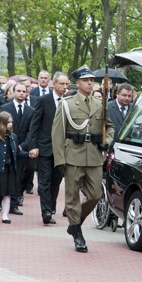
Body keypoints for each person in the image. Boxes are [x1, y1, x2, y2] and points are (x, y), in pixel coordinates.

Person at [53, 66, 114, 251]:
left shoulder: (99, 104)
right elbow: (57, 134)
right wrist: (60, 160)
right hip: (73, 155)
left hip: (94, 156)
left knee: (95, 195)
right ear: (77, 83)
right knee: (71, 197)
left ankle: (74, 223)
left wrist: (107, 141)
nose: (90, 83)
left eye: (91, 80)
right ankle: (78, 234)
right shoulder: (67, 103)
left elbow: (110, 127)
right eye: (86, 80)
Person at [28, 72, 69, 225]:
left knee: (56, 180)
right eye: (62, 84)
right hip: (45, 148)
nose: (65, 87)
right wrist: (33, 146)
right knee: (44, 181)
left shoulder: (69, 101)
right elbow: (35, 125)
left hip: (62, 150)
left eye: (67, 84)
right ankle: (45, 211)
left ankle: (51, 208)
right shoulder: (43, 100)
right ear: (54, 84)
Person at [0, 111, 27, 223]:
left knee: (8, 193)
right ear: (1, 123)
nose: (11, 125)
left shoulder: (13, 137)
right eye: (8, 122)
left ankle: (5, 215)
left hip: (9, 168)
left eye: (11, 122)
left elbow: (16, 152)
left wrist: (28, 154)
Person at [0, 82, 34, 215]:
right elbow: (0, 127)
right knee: (3, 175)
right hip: (6, 147)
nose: (21, 93)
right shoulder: (5, 108)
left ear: (26, 93)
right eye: (18, 91)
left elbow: (31, 131)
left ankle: (14, 204)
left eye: (23, 91)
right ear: (13, 92)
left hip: (22, 148)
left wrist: (23, 145)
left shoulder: (31, 111)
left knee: (18, 176)